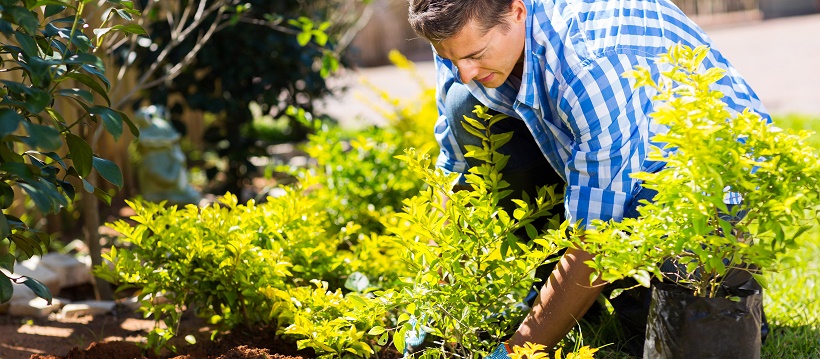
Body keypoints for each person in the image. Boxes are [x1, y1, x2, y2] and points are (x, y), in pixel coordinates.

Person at [406, 0, 769, 357]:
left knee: (674, 337)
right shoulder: (460, 31)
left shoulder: (590, 61)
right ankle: (557, 297)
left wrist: (516, 354)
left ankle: (724, 288)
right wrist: (432, 300)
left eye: (474, 56)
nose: (464, 71)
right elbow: (453, 169)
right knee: (463, 102)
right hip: (610, 165)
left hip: (699, 180)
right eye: (452, 59)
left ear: (516, 12)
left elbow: (596, 239)